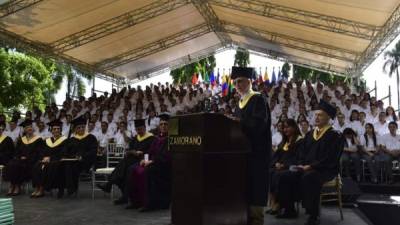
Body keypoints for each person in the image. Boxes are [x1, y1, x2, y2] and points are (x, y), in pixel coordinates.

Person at [279, 100, 343, 225]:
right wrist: (301, 164)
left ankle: (313, 216)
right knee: (285, 175)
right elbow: (302, 153)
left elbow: (331, 158)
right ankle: (289, 209)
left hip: (325, 170)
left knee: (309, 177)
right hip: (307, 167)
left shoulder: (335, 135)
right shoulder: (309, 134)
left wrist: (311, 166)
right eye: (316, 114)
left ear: (329, 117)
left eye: (320, 115)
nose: (317, 117)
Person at [231, 66, 271, 225]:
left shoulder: (258, 99)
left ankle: (256, 220)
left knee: (255, 189)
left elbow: (259, 124)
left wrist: (239, 123)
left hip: (257, 154)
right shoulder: (239, 103)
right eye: (235, 82)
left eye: (240, 81)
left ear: (249, 81)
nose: (237, 85)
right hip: (243, 154)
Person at [97, 119, 155, 205]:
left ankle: (111, 185)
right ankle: (123, 195)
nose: (139, 131)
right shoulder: (136, 138)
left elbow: (152, 151)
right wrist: (133, 152)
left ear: (145, 128)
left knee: (123, 169)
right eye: (137, 129)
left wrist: (142, 153)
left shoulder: (151, 138)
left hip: (142, 160)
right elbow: (129, 150)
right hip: (132, 159)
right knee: (122, 168)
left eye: (141, 129)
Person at [126, 114, 171, 211]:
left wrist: (152, 161)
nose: (163, 126)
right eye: (161, 124)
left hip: (163, 165)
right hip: (152, 162)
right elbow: (149, 151)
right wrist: (144, 159)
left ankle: (149, 204)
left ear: (170, 126)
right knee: (132, 169)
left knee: (148, 171)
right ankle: (135, 201)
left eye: (165, 124)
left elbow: (167, 156)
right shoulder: (157, 138)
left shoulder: (171, 139)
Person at [268, 119, 302, 219]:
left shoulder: (300, 141)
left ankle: (289, 209)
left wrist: (284, 165)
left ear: (294, 127)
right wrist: (276, 164)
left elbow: (299, 159)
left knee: (281, 175)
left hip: (295, 169)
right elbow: (276, 156)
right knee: (271, 172)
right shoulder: (284, 141)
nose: (285, 129)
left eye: (287, 127)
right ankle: (277, 205)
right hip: (283, 168)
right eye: (284, 127)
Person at [4, 120, 45, 196]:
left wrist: (28, 157)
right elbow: (16, 151)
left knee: (18, 165)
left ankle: (17, 186)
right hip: (21, 160)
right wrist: (20, 157)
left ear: (32, 129)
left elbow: (40, 153)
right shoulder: (21, 140)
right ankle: (13, 185)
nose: (29, 129)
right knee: (11, 164)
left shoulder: (38, 140)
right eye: (27, 128)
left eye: (30, 128)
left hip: (32, 161)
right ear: (25, 130)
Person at [61, 116, 98, 196]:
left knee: (72, 166)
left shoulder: (91, 138)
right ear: (75, 129)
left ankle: (72, 188)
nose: (81, 129)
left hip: (86, 162)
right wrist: (67, 156)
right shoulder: (71, 139)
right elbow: (65, 151)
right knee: (66, 165)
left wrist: (83, 156)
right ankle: (69, 188)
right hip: (73, 161)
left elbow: (93, 151)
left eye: (83, 127)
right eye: (79, 127)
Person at [31, 119, 67, 198]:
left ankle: (42, 188)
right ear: (51, 131)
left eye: (58, 129)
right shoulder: (47, 140)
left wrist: (50, 158)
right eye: (54, 129)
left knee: (48, 167)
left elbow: (63, 153)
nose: (56, 130)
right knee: (36, 166)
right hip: (46, 160)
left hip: (57, 161)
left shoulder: (65, 141)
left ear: (60, 130)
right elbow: (42, 151)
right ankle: (37, 187)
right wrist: (44, 157)